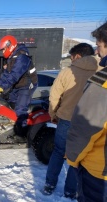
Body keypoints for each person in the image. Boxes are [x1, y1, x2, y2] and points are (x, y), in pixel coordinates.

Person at [42, 43, 101, 199]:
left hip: (66, 120)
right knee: (79, 158)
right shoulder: (101, 71)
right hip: (89, 124)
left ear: (78, 56)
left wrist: (53, 114)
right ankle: (70, 191)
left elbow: (54, 96)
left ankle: (49, 185)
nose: (71, 60)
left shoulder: (67, 72)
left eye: (72, 57)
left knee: (58, 152)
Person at [66, 21, 107, 202]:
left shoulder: (102, 81)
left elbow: (85, 128)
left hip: (99, 173)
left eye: (99, 46)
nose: (97, 51)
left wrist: (73, 159)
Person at [0, 35, 38, 141]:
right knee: (8, 105)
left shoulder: (22, 56)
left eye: (3, 49)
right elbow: (6, 74)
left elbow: (14, 75)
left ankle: (23, 135)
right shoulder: (12, 57)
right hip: (18, 85)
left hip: (27, 85)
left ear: (10, 45)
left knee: (20, 109)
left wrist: (2, 86)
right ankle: (11, 127)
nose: (2, 52)